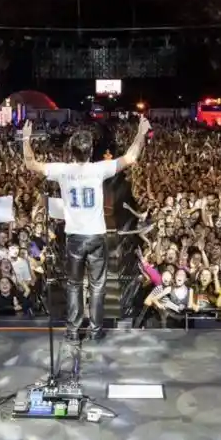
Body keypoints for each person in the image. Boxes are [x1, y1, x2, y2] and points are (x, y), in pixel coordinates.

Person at [22, 116, 149, 341]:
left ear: (71, 151)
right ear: (91, 151)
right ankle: (96, 330)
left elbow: (30, 163)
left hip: (74, 238)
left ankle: (72, 331)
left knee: (73, 285)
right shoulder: (99, 169)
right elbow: (131, 157)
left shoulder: (61, 170)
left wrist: (25, 138)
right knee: (97, 286)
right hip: (96, 236)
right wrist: (140, 132)